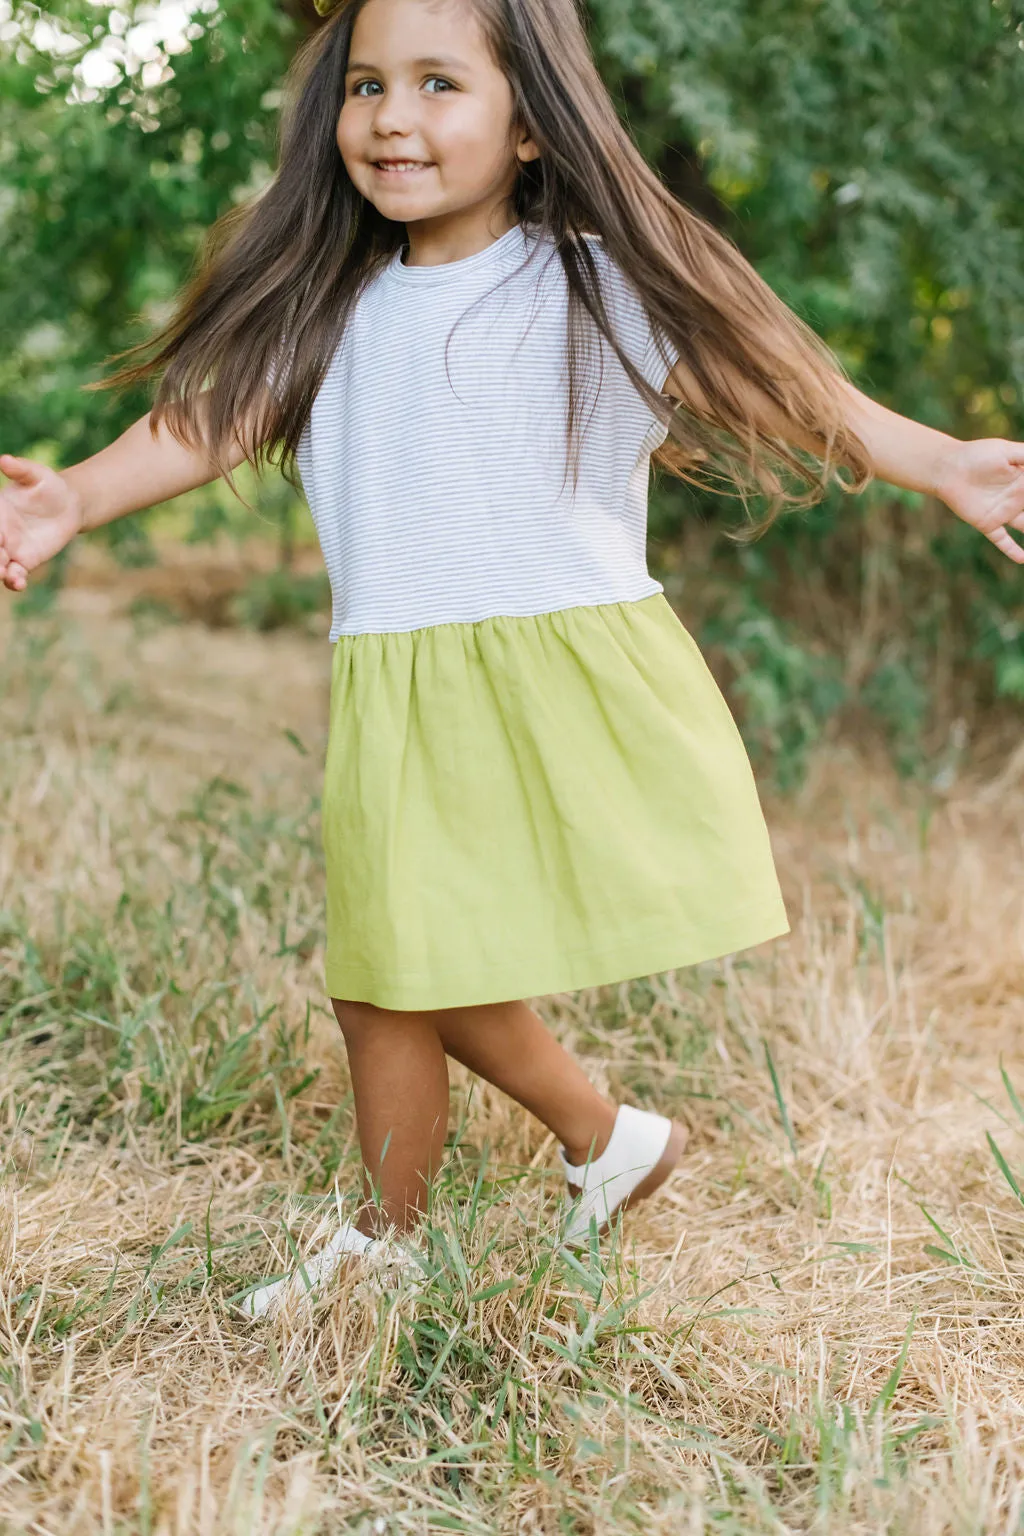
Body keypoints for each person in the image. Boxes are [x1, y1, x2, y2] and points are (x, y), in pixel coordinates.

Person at [3, 0, 1023, 1318]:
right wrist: (72, 498)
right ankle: (597, 1143)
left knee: (389, 969)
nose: (392, 118)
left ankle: (405, 1229)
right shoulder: (325, 303)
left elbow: (767, 383)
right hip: (398, 678)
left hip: (554, 666)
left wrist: (941, 461)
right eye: (367, 86)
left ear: (532, 122)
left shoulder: (585, 280)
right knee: (396, 963)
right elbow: (197, 425)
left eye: (439, 84)